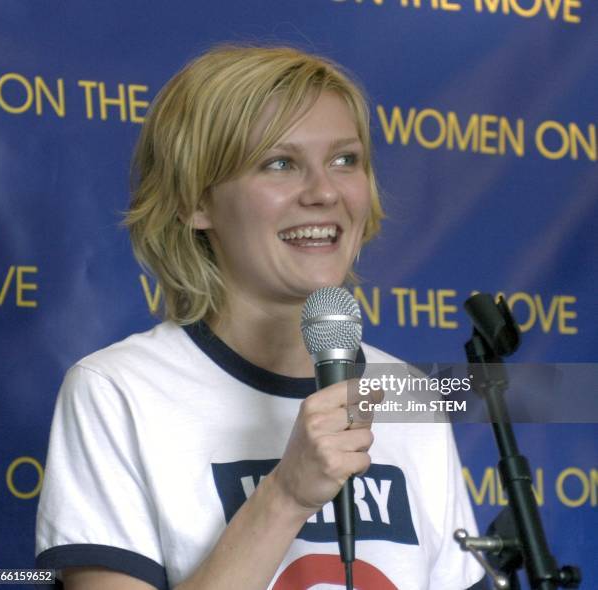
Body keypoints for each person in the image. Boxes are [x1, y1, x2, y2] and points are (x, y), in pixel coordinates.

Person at [35, 44, 486, 590]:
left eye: (345, 160)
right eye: (280, 164)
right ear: (196, 202)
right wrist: (286, 495)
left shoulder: (408, 395)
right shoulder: (116, 392)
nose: (324, 192)